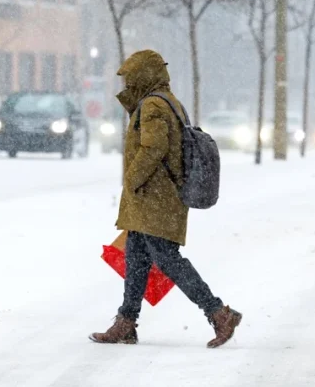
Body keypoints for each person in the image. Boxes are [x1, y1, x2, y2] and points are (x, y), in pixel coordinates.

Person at [89, 50, 241, 348]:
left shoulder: (154, 105)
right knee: (135, 259)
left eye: (131, 76)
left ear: (145, 75)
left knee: (168, 259)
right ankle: (126, 323)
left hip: (156, 197)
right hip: (152, 197)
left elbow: (153, 148)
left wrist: (132, 178)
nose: (127, 82)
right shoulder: (166, 102)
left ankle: (218, 312)